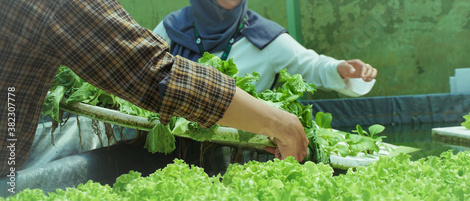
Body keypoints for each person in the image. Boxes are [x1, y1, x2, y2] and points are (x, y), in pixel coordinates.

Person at [0, 0, 308, 176]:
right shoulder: (175, 23)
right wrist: (277, 121)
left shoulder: (266, 35)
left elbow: (310, 64)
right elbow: (156, 73)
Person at [154, 0, 378, 95]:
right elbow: (140, 67)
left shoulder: (264, 37)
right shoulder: (171, 28)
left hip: (242, 160)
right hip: (173, 155)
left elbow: (311, 65)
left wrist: (342, 69)